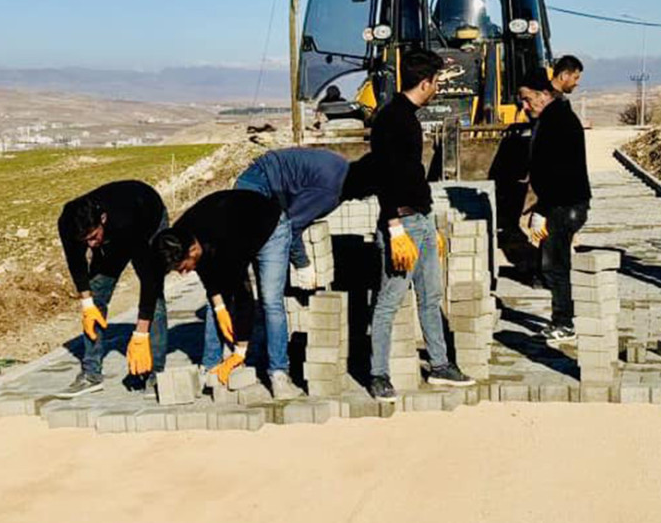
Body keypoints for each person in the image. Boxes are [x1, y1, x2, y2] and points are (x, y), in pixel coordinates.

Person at [198, 149, 376, 398]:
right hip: (255, 190)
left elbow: (290, 214)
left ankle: (231, 365)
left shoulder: (339, 167)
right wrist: (302, 263)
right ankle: (224, 366)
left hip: (257, 182)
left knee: (257, 294)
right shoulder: (330, 193)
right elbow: (291, 224)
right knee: (249, 292)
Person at [367, 49, 475, 402]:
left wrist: (430, 221)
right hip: (402, 224)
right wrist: (395, 227)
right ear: (425, 82)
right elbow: (383, 176)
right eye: (437, 83)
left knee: (430, 297)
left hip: (422, 220)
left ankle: (441, 365)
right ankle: (378, 375)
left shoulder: (409, 117)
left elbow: (413, 176)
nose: (438, 89)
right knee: (389, 302)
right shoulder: (389, 119)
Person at [152, 190, 282, 388]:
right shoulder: (179, 236)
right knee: (217, 303)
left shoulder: (228, 245)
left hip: (270, 223)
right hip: (231, 221)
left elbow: (244, 295)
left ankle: (278, 370)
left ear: (193, 251)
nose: (183, 274)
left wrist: (240, 351)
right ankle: (210, 364)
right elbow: (206, 273)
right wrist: (220, 307)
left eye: (183, 268)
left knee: (270, 300)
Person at [55, 180, 169, 398]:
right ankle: (91, 374)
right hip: (115, 232)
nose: (90, 244)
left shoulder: (128, 220)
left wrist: (140, 334)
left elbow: (149, 281)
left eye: (93, 237)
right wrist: (87, 303)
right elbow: (76, 263)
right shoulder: (69, 223)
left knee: (155, 299)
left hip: (148, 218)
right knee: (96, 295)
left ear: (103, 220)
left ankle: (156, 373)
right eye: (85, 240)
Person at [518, 70, 591, 344]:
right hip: (562, 203)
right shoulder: (552, 118)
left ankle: (564, 323)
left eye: (527, 100)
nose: (525, 107)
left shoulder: (557, 122)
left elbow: (556, 173)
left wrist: (543, 209)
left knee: (555, 265)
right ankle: (561, 318)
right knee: (554, 263)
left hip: (565, 204)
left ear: (543, 95)